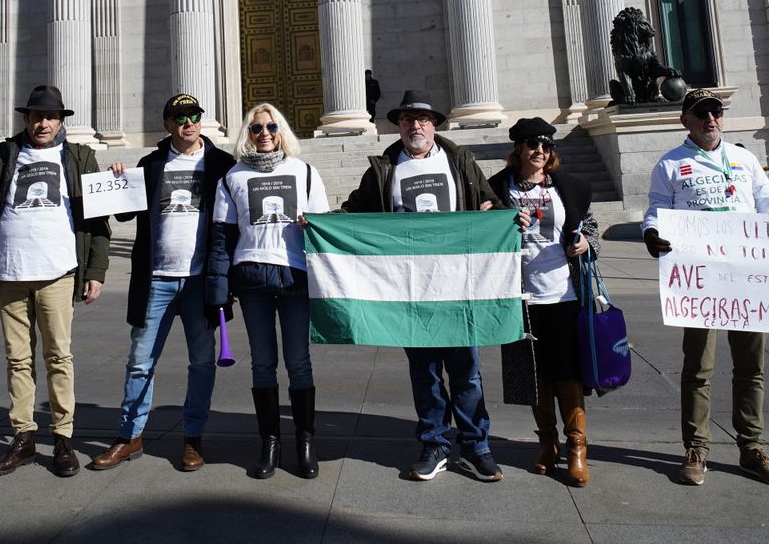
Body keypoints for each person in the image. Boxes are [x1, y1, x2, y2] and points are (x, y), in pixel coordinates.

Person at [642, 89, 769, 488]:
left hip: (747, 279)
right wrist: (651, 232)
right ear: (685, 120)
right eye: (701, 113)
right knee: (698, 368)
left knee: (751, 366)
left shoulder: (744, 159)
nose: (710, 119)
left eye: (716, 112)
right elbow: (655, 208)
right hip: (700, 280)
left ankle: (751, 446)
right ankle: (697, 447)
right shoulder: (671, 164)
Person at [339, 89, 505, 484]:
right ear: (398, 125)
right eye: (408, 120)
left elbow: (491, 204)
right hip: (411, 288)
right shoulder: (383, 168)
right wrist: (320, 224)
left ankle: (476, 445)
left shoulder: (459, 161)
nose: (416, 126)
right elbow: (354, 211)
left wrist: (502, 217)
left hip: (457, 285)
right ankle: (434, 442)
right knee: (425, 371)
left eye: (424, 119)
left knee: (466, 369)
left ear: (435, 125)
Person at [0, 84, 112, 479]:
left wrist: (96, 272)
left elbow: (99, 222)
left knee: (58, 357)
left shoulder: (79, 158)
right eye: (36, 117)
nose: (43, 123)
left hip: (58, 272)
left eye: (50, 117)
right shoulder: (3, 155)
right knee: (17, 359)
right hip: (9, 272)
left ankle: (63, 438)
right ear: (26, 120)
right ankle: (23, 438)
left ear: (61, 121)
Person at [91, 92, 236, 474]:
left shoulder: (223, 164)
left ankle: (193, 438)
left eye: (194, 116)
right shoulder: (151, 163)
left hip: (201, 282)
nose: (189, 123)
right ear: (168, 124)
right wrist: (118, 181)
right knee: (140, 362)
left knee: (202, 362)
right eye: (180, 117)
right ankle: (130, 436)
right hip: (155, 280)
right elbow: (123, 214)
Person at [208, 102, 329, 479]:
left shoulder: (304, 172)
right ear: (247, 133)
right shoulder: (232, 178)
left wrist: (313, 226)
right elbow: (221, 239)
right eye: (257, 128)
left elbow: (324, 230)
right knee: (262, 362)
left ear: (282, 131)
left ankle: (305, 443)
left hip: (295, 277)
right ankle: (270, 443)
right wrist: (219, 290)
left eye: (271, 127)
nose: (264, 134)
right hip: (252, 280)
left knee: (299, 361)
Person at [488, 118, 597, 487]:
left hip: (564, 293)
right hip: (519, 295)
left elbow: (590, 229)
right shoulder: (497, 189)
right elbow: (482, 232)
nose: (540, 151)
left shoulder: (568, 187)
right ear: (518, 148)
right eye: (533, 144)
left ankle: (577, 448)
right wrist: (502, 220)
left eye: (547, 145)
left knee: (569, 373)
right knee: (533, 374)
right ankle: (547, 442)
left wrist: (585, 244)